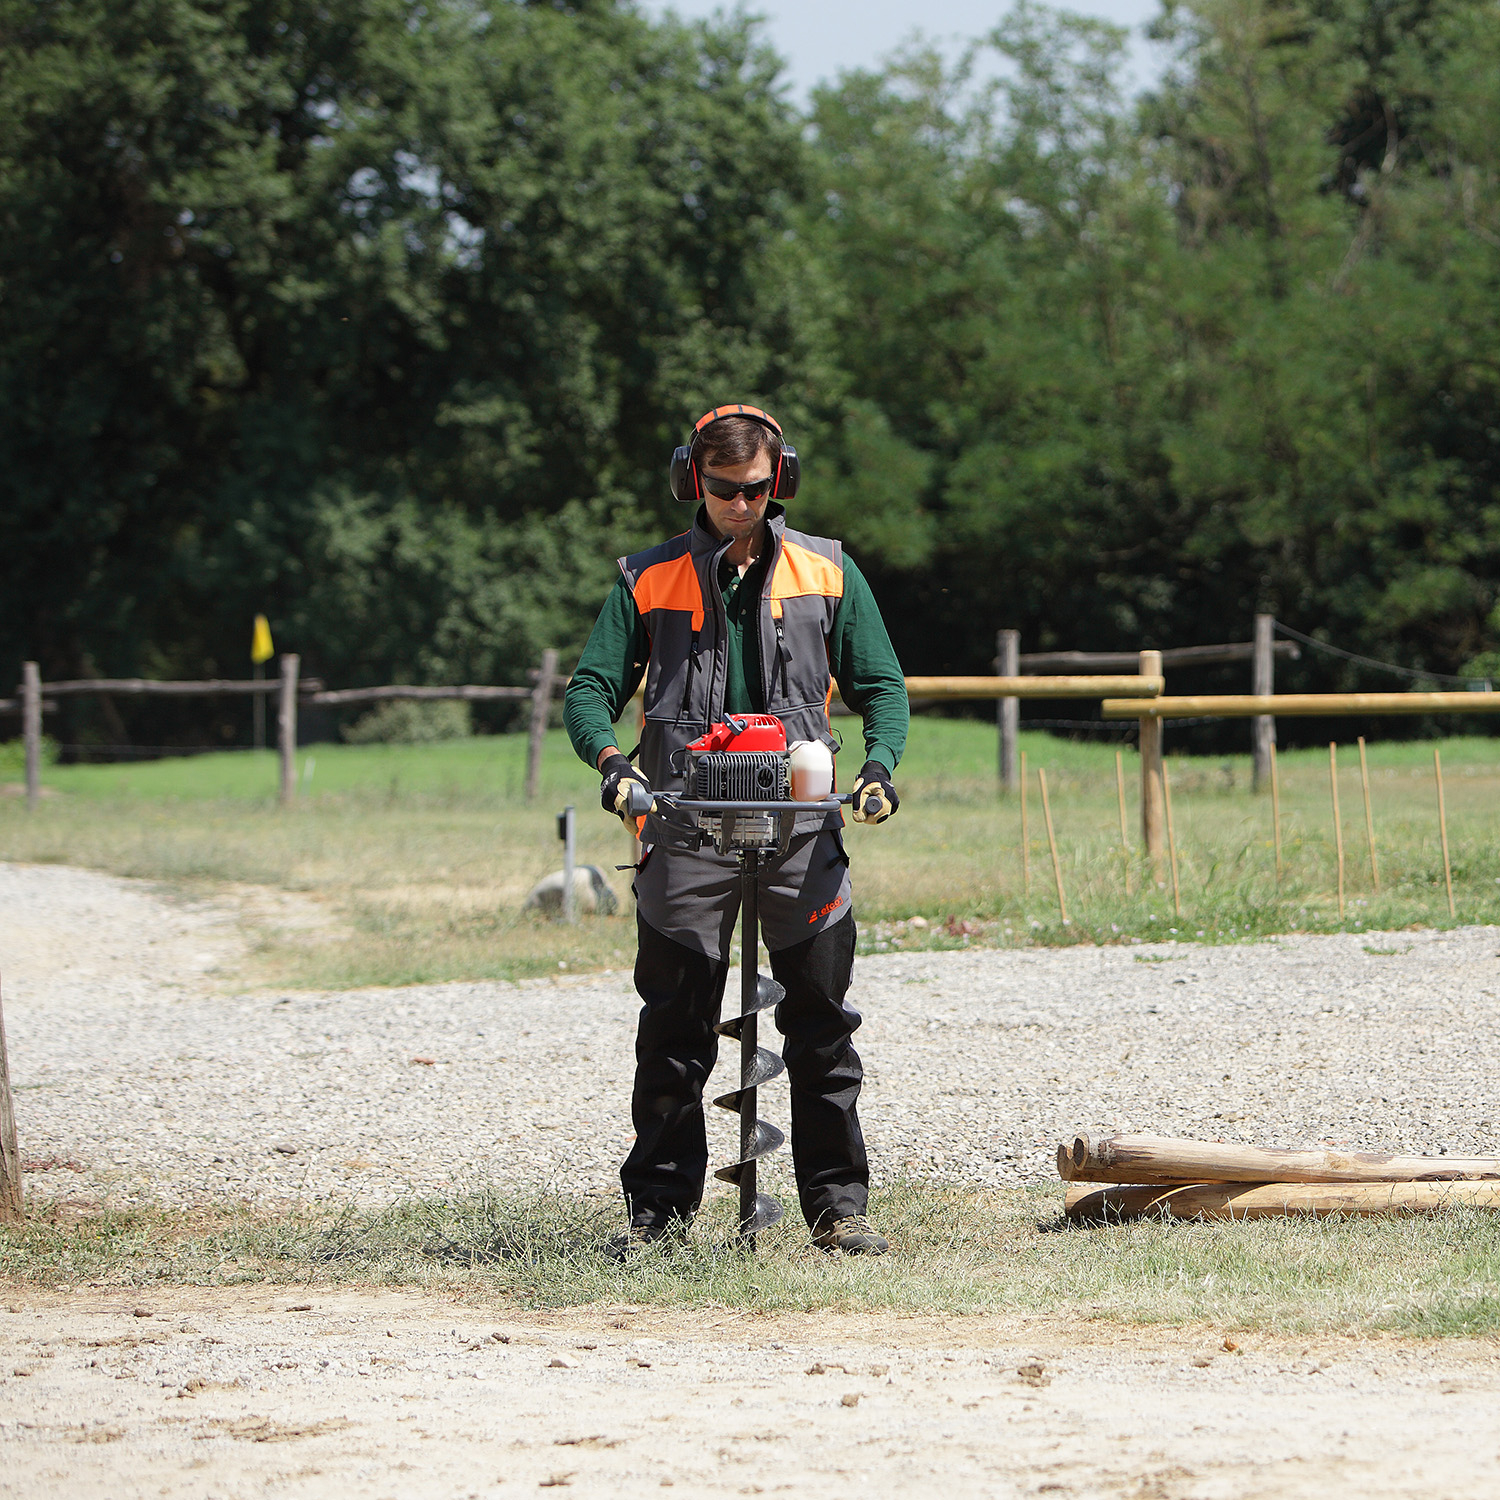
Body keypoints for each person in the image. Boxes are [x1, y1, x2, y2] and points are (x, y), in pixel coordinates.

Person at [563, 404, 909, 1256]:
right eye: (722, 490)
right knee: (675, 1032)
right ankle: (657, 1218)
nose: (740, 506)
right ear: (693, 481)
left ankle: (839, 1211)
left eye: (756, 490)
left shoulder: (829, 573)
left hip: (801, 827)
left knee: (822, 1027)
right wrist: (615, 769)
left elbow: (883, 686)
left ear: (779, 480)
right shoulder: (647, 579)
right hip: (682, 825)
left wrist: (878, 767)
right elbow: (588, 691)